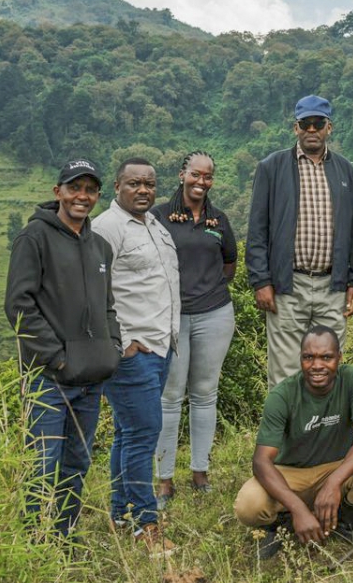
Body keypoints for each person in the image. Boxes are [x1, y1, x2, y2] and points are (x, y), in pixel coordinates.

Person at [5, 159, 121, 542]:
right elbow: (18, 305)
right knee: (42, 464)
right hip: (48, 380)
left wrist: (113, 347)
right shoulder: (34, 238)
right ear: (58, 192)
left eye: (90, 189)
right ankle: (35, 544)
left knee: (76, 463)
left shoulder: (100, 246)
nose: (82, 196)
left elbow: (107, 307)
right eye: (74, 188)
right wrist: (57, 357)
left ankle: (64, 537)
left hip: (90, 380)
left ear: (98, 196)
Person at [233, 326, 353, 560]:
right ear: (301, 359)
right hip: (291, 474)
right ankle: (282, 529)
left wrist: (333, 483)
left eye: (326, 357)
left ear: (339, 358)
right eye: (309, 357)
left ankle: (344, 526)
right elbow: (261, 461)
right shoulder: (282, 395)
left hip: (335, 466)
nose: (317, 365)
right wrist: (297, 507)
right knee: (248, 504)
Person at [91, 157, 180, 555]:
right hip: (133, 352)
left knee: (129, 435)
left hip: (160, 346)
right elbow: (93, 289)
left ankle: (119, 514)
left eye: (149, 183)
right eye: (134, 184)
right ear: (117, 187)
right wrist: (121, 341)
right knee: (144, 436)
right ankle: (146, 525)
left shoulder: (153, 224)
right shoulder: (107, 228)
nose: (143, 190)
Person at [247, 95, 353, 388]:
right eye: (305, 124)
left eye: (318, 123)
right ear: (295, 127)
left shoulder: (345, 170)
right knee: (285, 372)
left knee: (328, 370)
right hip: (288, 286)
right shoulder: (271, 167)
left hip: (331, 287)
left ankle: (324, 432)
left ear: (329, 128)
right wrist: (261, 281)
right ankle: (285, 434)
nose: (312, 130)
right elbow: (258, 228)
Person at [152, 151, 237, 504]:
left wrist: (208, 287)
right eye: (195, 175)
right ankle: (165, 478)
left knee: (205, 394)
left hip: (214, 314)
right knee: (170, 397)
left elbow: (230, 263)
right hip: (170, 318)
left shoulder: (218, 220)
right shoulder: (158, 217)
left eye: (208, 176)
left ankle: (200, 472)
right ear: (182, 174)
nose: (201, 182)